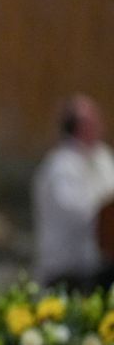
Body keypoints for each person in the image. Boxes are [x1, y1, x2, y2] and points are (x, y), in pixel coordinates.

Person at [33, 94, 114, 289]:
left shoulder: (103, 157)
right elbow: (82, 214)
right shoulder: (59, 167)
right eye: (92, 120)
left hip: (102, 265)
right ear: (78, 127)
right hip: (69, 272)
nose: (99, 124)